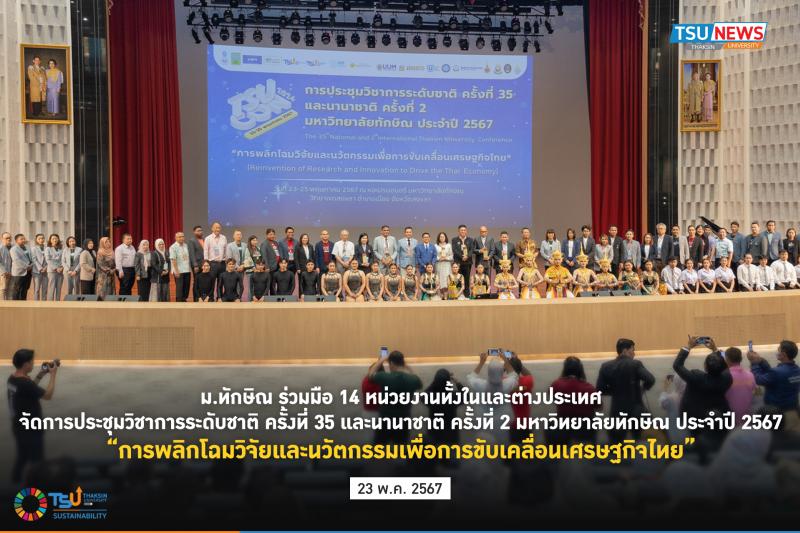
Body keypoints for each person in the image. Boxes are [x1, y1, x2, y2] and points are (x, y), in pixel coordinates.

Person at [673, 336, 732, 449]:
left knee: (697, 443)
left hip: (695, 419)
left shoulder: (696, 377)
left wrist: (689, 346)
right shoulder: (727, 378)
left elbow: (677, 365)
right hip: (718, 417)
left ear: (705, 366)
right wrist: (715, 349)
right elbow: (726, 366)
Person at [8, 348, 57, 483]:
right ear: (25, 364)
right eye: (31, 361)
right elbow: (47, 395)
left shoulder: (12, 379)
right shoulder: (25, 383)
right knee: (38, 463)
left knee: (22, 457)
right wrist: (53, 375)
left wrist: (41, 374)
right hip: (31, 430)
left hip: (19, 426)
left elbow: (30, 389)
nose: (33, 363)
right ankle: (37, 491)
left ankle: (14, 484)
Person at [596, 338, 655, 441]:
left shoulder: (606, 366)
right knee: (642, 440)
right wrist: (641, 390)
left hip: (617, 411)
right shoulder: (635, 364)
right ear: (625, 350)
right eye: (632, 350)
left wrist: (615, 391)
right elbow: (650, 379)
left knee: (616, 444)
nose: (634, 353)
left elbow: (600, 389)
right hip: (636, 409)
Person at [367, 350, 423, 443]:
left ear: (391, 363)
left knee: (379, 446)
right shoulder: (413, 380)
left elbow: (370, 375)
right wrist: (408, 367)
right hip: (403, 419)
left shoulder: (384, 377)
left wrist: (381, 360)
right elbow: (419, 381)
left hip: (385, 419)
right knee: (401, 446)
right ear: (403, 363)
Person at [465, 352, 518, 443]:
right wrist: (506, 360)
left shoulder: (480, 385)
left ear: (488, 372)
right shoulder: (507, 385)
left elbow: (470, 377)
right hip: (502, 426)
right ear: (502, 372)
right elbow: (514, 376)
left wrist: (481, 362)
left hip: (484, 428)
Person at [549, 356, 599, 444]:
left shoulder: (556, 384)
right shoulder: (589, 388)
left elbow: (552, 396)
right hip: (585, 428)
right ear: (580, 370)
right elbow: (598, 406)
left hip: (563, 426)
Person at [747, 340, 800, 412]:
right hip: (793, 410)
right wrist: (761, 361)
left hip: (777, 412)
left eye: (778, 350)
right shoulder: (797, 370)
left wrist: (754, 362)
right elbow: (771, 375)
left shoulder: (777, 372)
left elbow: (758, 379)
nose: (777, 352)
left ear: (783, 354)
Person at [424, 369, 463, 446]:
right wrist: (457, 382)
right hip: (451, 434)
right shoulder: (454, 396)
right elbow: (466, 395)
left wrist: (435, 382)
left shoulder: (430, 396)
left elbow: (424, 393)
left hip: (434, 433)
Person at [724, 347, 756, 426]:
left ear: (727, 359)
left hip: (730, 420)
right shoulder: (750, 375)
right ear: (741, 359)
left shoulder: (724, 376)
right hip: (747, 419)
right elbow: (754, 391)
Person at [508, 354, 535, 443]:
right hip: (526, 424)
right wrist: (518, 364)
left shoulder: (506, 383)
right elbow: (528, 375)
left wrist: (506, 363)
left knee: (514, 449)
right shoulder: (527, 381)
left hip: (514, 425)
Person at [203, 222, 228, 299]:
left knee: (221, 282)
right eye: (216, 227)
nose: (218, 229)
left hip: (222, 263)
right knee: (211, 282)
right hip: (212, 263)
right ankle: (210, 298)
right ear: (212, 228)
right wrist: (206, 263)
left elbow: (226, 250)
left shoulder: (224, 238)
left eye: (219, 228)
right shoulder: (208, 238)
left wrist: (226, 261)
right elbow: (205, 251)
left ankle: (219, 297)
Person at [452, 225, 475, 296]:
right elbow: (454, 250)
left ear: (466, 231)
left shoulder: (470, 240)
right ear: (459, 231)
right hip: (458, 262)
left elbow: (472, 250)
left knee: (466, 278)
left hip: (467, 262)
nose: (463, 231)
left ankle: (466, 295)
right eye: (461, 230)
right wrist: (462, 256)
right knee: (456, 279)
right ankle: (455, 294)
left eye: (464, 230)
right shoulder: (454, 240)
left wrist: (467, 256)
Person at [170, 232, 192, 302]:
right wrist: (176, 271)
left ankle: (184, 300)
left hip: (187, 269)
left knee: (186, 287)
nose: (182, 238)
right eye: (179, 237)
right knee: (179, 289)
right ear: (175, 238)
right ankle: (179, 302)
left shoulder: (186, 245)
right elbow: (173, 259)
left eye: (183, 236)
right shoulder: (173, 247)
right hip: (179, 271)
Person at [10, 234, 33, 301]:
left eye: (24, 239)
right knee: (17, 289)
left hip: (28, 272)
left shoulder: (27, 247)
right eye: (21, 239)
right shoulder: (13, 249)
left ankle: (23, 303)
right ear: (16, 241)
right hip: (19, 273)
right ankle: (15, 304)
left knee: (25, 289)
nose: (23, 240)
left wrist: (31, 265)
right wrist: (27, 267)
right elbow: (17, 260)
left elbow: (31, 257)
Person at [44, 234, 64, 300]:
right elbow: (48, 260)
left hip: (60, 271)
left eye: (56, 238)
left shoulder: (61, 249)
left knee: (59, 288)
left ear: (58, 239)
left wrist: (61, 267)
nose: (55, 240)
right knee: (51, 288)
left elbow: (63, 259)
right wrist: (56, 268)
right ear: (50, 240)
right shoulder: (48, 249)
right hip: (52, 271)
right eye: (53, 239)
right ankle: (50, 303)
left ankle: (57, 302)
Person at [188, 226, 204, 302]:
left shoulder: (204, 240)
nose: (200, 232)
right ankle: (196, 298)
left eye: (201, 230)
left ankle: (202, 297)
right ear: (194, 232)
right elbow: (192, 254)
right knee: (196, 282)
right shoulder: (192, 241)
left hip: (204, 265)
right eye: (198, 230)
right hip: (197, 265)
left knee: (202, 282)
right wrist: (195, 265)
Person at [434, 232, 452, 298]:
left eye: (443, 237)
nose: (442, 238)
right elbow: (434, 256)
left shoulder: (448, 245)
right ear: (438, 238)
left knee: (447, 279)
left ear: (445, 238)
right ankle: (441, 295)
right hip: (439, 264)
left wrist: (446, 258)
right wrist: (439, 258)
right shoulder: (435, 246)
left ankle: (446, 295)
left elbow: (451, 256)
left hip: (446, 264)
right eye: (440, 237)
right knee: (439, 279)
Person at [31, 233, 47, 301]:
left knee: (45, 289)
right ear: (36, 240)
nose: (41, 240)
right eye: (39, 239)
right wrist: (40, 268)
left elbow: (49, 259)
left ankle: (44, 303)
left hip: (46, 271)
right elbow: (34, 259)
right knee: (37, 289)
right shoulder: (33, 249)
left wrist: (46, 268)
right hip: (37, 271)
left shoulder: (47, 248)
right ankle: (36, 303)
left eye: (42, 238)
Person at [0, 232, 12, 300]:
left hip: (10, 273)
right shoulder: (0, 248)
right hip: (3, 274)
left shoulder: (10, 248)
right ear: (2, 239)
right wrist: (4, 271)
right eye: (6, 238)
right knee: (2, 289)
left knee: (9, 290)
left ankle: (8, 304)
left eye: (9, 238)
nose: (8, 239)